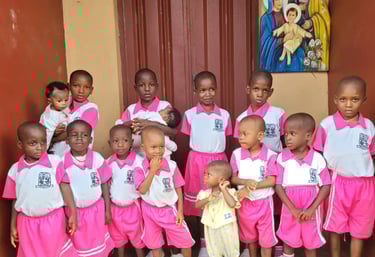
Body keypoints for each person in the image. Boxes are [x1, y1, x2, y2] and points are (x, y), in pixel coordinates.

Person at [313, 76, 375, 257]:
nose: (348, 104)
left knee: (361, 227)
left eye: (354, 99)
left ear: (363, 99)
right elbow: (317, 155)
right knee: (336, 225)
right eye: (343, 99)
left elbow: (370, 154)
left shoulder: (369, 127)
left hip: (365, 185)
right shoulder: (327, 125)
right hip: (337, 182)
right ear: (335, 100)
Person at [2, 121, 77, 257]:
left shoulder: (54, 162)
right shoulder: (14, 170)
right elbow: (15, 200)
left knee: (56, 252)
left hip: (53, 220)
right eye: (33, 143)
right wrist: (13, 225)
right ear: (20, 145)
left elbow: (65, 187)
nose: (40, 147)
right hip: (26, 224)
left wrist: (72, 213)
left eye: (43, 142)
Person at [180, 71, 232, 256]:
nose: (207, 93)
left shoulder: (224, 115)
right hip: (197, 163)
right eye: (202, 90)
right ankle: (203, 243)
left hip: (218, 161)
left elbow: (225, 136)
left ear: (216, 89)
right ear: (195, 91)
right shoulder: (190, 114)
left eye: (211, 89)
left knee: (219, 200)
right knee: (202, 202)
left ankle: (219, 243)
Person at [275, 113, 331, 257]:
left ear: (307, 136)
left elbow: (326, 185)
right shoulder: (282, 157)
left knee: (310, 241)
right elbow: (278, 185)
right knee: (288, 238)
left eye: (292, 133)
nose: (287, 137)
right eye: (286, 133)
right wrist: (292, 209)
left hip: (311, 205)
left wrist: (312, 209)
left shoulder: (318, 159)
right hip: (289, 204)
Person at [136, 126, 194, 257]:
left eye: (161, 147)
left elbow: (179, 188)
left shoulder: (171, 165)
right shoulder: (139, 168)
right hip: (149, 210)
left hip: (169, 210)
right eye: (154, 147)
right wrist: (152, 170)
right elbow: (142, 190)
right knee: (154, 244)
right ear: (143, 148)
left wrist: (180, 211)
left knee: (185, 241)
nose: (158, 151)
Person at [63, 120, 114, 257]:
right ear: (67, 140)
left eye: (84, 135)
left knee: (98, 245)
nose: (79, 138)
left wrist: (107, 210)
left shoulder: (97, 159)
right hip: (74, 214)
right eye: (74, 135)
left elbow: (104, 184)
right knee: (79, 246)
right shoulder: (61, 163)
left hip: (96, 211)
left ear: (90, 139)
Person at [230, 115, 278, 257]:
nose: (241, 137)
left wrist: (253, 185)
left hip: (264, 203)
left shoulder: (270, 155)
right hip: (245, 203)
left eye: (245, 134)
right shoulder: (236, 154)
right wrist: (245, 182)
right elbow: (233, 178)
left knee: (266, 239)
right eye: (240, 133)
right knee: (250, 238)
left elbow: (271, 181)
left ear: (260, 136)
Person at [102, 125, 145, 257]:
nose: (120, 144)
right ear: (110, 143)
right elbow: (106, 187)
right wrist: (107, 209)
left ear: (131, 142)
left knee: (137, 238)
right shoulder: (107, 163)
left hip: (133, 208)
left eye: (125, 140)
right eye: (116, 141)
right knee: (117, 238)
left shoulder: (139, 162)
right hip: (115, 208)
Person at [118, 68, 177, 152]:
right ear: (135, 88)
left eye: (151, 85)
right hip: (137, 159)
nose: (147, 89)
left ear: (157, 86)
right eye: (141, 85)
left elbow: (173, 132)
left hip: (161, 157)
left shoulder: (165, 106)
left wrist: (150, 124)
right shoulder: (130, 109)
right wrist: (134, 124)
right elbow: (120, 130)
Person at [195, 160, 241, 257]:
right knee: (214, 252)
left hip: (226, 227)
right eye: (204, 174)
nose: (205, 177)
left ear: (221, 179)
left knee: (230, 250)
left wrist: (224, 190)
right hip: (211, 228)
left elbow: (232, 204)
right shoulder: (205, 193)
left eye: (208, 175)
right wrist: (208, 199)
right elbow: (197, 205)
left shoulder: (231, 192)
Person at [234, 71, 286, 153]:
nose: (260, 94)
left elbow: (284, 140)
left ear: (270, 92)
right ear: (248, 90)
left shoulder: (279, 114)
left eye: (265, 90)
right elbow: (241, 145)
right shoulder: (241, 119)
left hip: (275, 162)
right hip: (252, 162)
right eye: (256, 89)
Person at [117, 106, 182, 159]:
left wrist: (149, 123)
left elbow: (174, 132)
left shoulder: (155, 114)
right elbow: (166, 141)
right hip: (137, 138)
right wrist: (173, 146)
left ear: (166, 117)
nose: (161, 109)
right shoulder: (131, 108)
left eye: (163, 109)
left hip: (136, 136)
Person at [40, 81, 70, 157]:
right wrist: (43, 152)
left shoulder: (59, 107)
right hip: (50, 142)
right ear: (50, 100)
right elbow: (48, 134)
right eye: (59, 101)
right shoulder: (51, 116)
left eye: (66, 100)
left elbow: (68, 114)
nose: (64, 103)